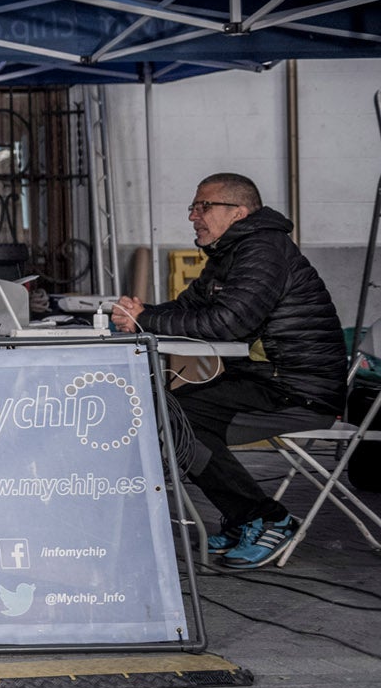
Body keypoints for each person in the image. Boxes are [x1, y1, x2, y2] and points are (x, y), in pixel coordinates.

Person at [112, 172, 348, 570]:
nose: (194, 216)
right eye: (193, 206)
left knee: (176, 420)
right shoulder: (232, 252)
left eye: (204, 206)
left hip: (300, 390)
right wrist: (140, 315)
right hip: (267, 379)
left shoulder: (263, 250)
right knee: (169, 415)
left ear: (238, 212)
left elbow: (228, 323)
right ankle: (245, 518)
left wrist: (146, 319)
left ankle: (268, 519)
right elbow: (190, 308)